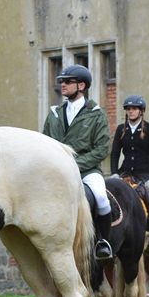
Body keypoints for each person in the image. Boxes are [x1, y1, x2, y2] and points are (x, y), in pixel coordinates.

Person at [43, 64, 113, 260]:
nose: (62, 85)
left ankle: (102, 241)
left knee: (101, 197)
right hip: (58, 172)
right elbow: (44, 143)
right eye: (61, 82)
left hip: (88, 171)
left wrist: (75, 165)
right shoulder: (54, 114)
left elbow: (101, 149)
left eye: (67, 82)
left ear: (81, 85)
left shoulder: (97, 114)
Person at [110, 94, 149, 253]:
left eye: (134, 109)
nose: (131, 111)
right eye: (128, 109)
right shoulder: (121, 129)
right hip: (125, 173)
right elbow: (115, 154)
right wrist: (114, 173)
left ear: (141, 111)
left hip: (145, 175)